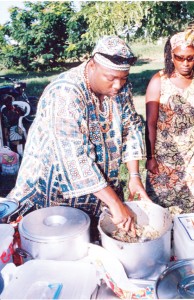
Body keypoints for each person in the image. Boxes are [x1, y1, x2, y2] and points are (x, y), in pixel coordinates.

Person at [7, 35, 151, 235]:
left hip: (101, 191)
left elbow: (131, 126)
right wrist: (115, 204)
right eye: (111, 78)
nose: (118, 85)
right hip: (52, 195)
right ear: (91, 66)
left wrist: (134, 177)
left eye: (124, 77)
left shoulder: (121, 88)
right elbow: (74, 160)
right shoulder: (65, 93)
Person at [145, 25, 194, 213]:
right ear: (171, 57)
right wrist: (150, 158)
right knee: (160, 207)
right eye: (179, 58)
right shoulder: (158, 81)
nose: (185, 63)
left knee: (193, 206)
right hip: (164, 155)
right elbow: (150, 123)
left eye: (189, 58)